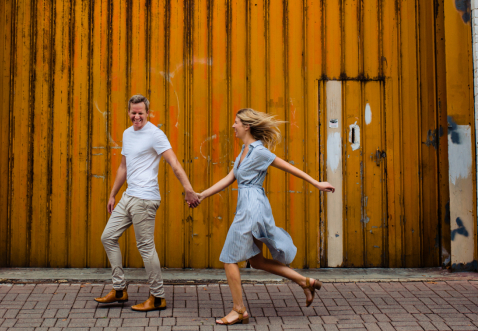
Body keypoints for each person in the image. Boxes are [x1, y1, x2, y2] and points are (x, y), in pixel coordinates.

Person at [195, 108, 335, 326]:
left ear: (246, 126)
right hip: (249, 205)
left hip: (252, 208)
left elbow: (287, 167)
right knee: (256, 261)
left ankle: (239, 310)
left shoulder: (259, 152)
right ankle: (305, 281)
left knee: (229, 258)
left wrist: (316, 183)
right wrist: (202, 195)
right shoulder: (243, 151)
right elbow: (229, 178)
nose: (233, 126)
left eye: (236, 122)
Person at [94, 94, 200, 312]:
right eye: (133, 112)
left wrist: (188, 190)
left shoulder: (155, 135)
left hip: (146, 198)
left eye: (140, 113)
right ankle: (120, 289)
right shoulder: (127, 134)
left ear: (148, 113)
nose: (136, 117)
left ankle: (158, 296)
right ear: (129, 112)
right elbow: (123, 166)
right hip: (129, 196)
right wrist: (113, 194)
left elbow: (174, 163)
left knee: (145, 246)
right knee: (108, 237)